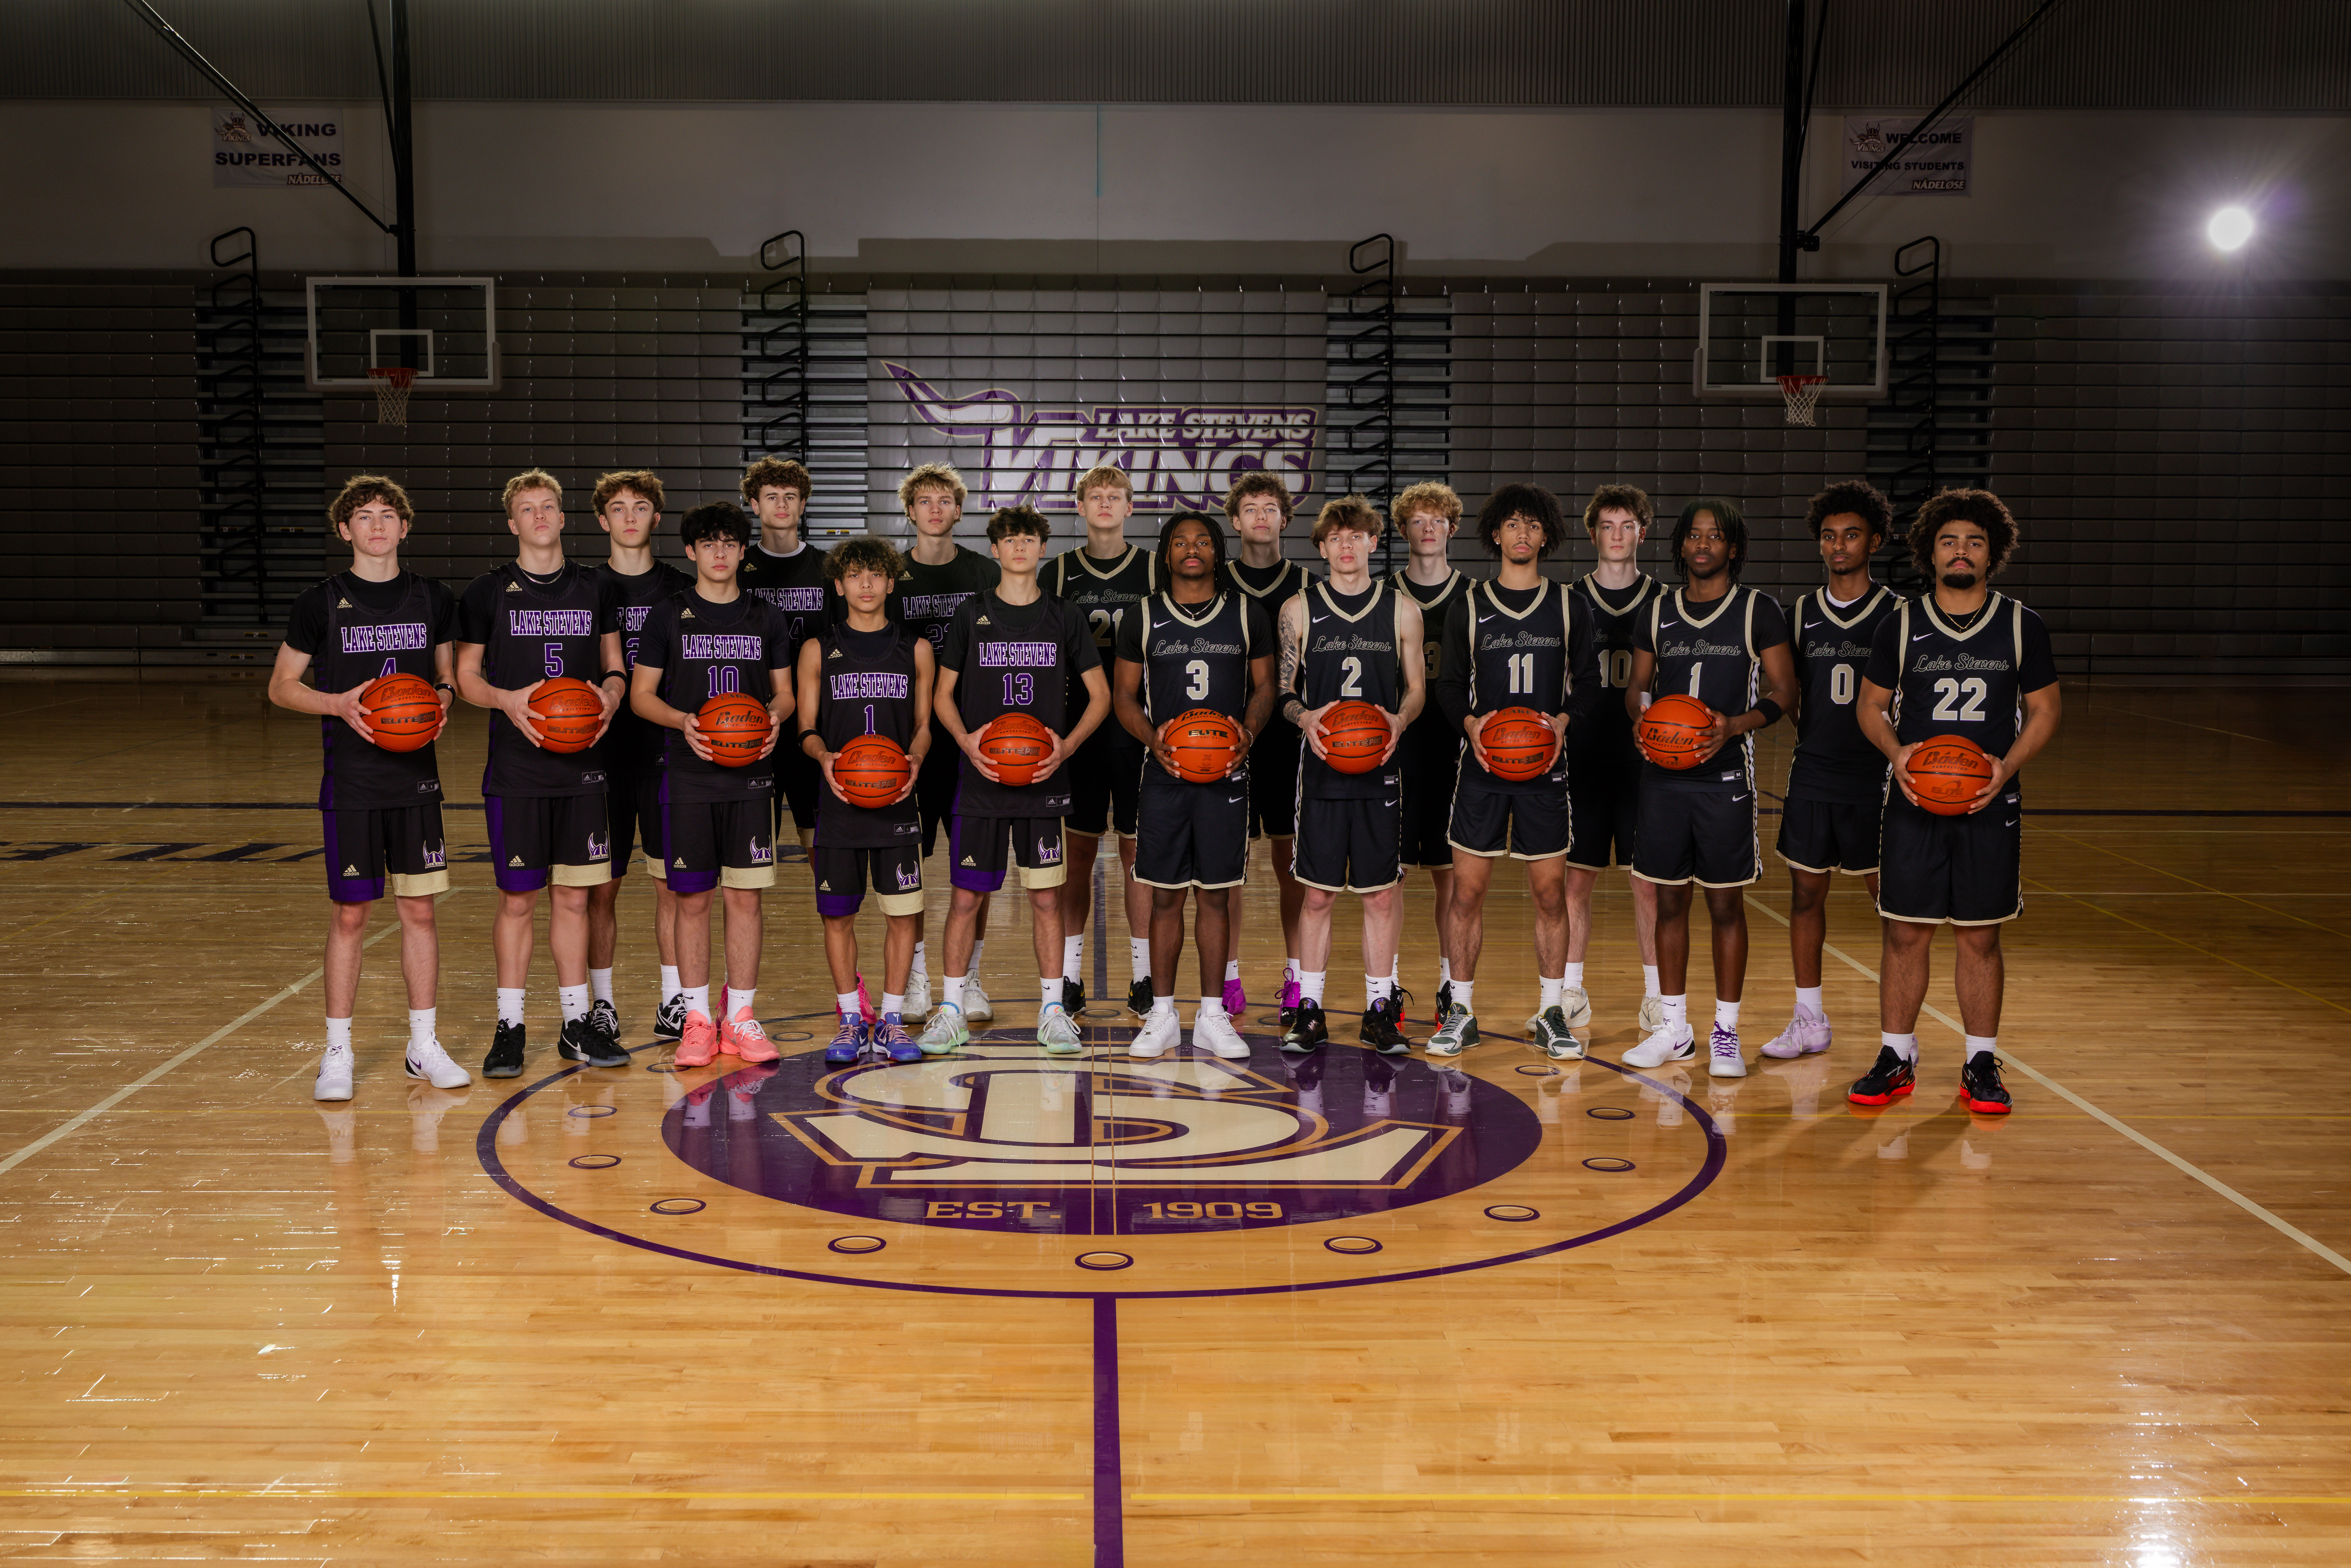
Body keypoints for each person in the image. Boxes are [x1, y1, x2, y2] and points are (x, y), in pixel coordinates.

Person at [1849, 487, 2060, 1115]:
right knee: (1905, 933)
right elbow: (1869, 706)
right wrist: (1898, 755)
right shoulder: (1903, 623)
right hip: (1915, 800)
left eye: (1973, 542)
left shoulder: (2023, 625)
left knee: (1979, 938)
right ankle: (1895, 1054)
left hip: (1989, 803)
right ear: (1929, 553)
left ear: (1992, 552)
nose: (1961, 552)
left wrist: (2007, 766)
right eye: (1949, 541)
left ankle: (1980, 1061)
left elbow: (2046, 710)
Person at [269, 474, 469, 1100]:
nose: (377, 524)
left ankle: (423, 1045)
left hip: (416, 784)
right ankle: (337, 1053)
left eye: (388, 515)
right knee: (352, 914)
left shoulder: (432, 597)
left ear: (405, 528)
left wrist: (440, 699)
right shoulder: (320, 603)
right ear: (345, 530)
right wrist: (339, 705)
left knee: (418, 911)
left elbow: (447, 675)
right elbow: (281, 687)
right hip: (352, 782)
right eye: (365, 516)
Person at [454, 469, 630, 1079]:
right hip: (517, 768)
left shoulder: (594, 587)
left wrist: (609, 696)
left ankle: (577, 1024)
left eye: (548, 506)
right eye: (526, 509)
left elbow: (615, 666)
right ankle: (510, 1026)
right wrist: (506, 700)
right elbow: (466, 677)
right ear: (513, 523)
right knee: (518, 901)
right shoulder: (486, 592)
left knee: (575, 900)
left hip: (583, 767)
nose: (538, 517)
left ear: (562, 518)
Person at [921, 506, 1112, 1055]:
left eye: (1029, 539)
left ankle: (1052, 1010)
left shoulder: (1064, 616)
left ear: (1042, 549)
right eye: (1010, 540)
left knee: (1047, 900)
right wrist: (966, 743)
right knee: (963, 898)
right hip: (980, 780)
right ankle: (951, 1008)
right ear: (997, 550)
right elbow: (941, 694)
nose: (1020, 548)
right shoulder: (972, 614)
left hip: (1041, 780)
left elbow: (1100, 697)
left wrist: (1066, 747)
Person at [1620, 498, 1797, 1080]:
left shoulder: (1757, 611)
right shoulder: (1658, 611)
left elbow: (1784, 692)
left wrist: (1731, 727)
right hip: (1662, 777)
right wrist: (1642, 723)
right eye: (1693, 536)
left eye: (1715, 536)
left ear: (1733, 548)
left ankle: (1725, 1029)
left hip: (1723, 777)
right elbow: (1638, 687)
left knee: (1724, 903)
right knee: (1669, 900)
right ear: (1680, 547)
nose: (1702, 544)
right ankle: (1675, 1029)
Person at [1425, 484, 1602, 1062]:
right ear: (1495, 535)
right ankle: (1461, 1010)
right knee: (1467, 892)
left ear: (1545, 535)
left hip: (1545, 767)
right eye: (1511, 525)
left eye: (1532, 524)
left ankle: (1552, 1011)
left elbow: (1593, 684)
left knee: (1550, 893)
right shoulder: (1469, 605)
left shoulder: (1571, 604)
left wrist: (1564, 723)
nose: (1521, 534)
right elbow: (1448, 686)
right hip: (1482, 768)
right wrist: (1472, 726)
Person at [628, 501, 794, 1069]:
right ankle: (697, 1018)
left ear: (743, 552)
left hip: (751, 777)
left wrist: (774, 717)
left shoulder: (765, 616)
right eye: (709, 544)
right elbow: (640, 696)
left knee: (745, 898)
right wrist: (684, 723)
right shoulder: (667, 614)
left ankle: (742, 1016)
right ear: (692, 552)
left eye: (730, 544)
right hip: (689, 774)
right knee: (692, 899)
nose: (720, 553)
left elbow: (787, 693)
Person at [1113, 510, 1277, 1060]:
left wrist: (1247, 734)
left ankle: (1211, 1014)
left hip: (1226, 772)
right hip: (1164, 775)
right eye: (1180, 542)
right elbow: (1123, 697)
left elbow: (1265, 686)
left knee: (1215, 895)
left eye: (1203, 541)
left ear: (1217, 552)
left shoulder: (1247, 614)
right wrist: (1151, 740)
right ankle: (1161, 1013)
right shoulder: (1142, 616)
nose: (1191, 549)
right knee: (1163, 897)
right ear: (1165, 554)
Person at [1277, 494, 1427, 1055]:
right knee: (1316, 895)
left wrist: (1399, 718)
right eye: (1335, 538)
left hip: (1380, 767)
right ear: (1321, 548)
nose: (1345, 545)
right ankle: (1309, 1009)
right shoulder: (1298, 609)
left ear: (1372, 542)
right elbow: (1286, 692)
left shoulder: (1401, 609)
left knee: (1381, 897)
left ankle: (1380, 1009)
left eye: (1356, 536)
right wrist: (1305, 717)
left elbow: (1416, 687)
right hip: (1320, 769)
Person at [1763, 479, 1901, 1061]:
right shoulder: (1799, 614)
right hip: (1814, 772)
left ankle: (1898, 1036)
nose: (1838, 546)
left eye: (1850, 535)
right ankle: (1809, 1018)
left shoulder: (1899, 614)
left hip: (1877, 777)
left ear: (1874, 540)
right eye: (1828, 537)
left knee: (1891, 905)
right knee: (1804, 896)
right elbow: (1787, 691)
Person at [799, 536, 934, 1065]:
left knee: (902, 915)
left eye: (875, 575)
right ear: (839, 584)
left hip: (898, 799)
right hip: (840, 802)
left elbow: (923, 725)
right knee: (838, 916)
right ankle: (852, 1019)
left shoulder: (914, 648)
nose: (866, 585)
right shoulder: (818, 648)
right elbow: (806, 728)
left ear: (890, 582)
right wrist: (824, 757)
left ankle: (894, 1019)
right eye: (854, 575)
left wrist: (916, 761)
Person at [886, 464, 1001, 1022]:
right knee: (906, 863)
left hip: (970, 735)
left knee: (971, 867)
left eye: (945, 500)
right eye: (923, 500)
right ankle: (914, 976)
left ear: (959, 511)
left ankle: (971, 975)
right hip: (905, 737)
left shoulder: (983, 570)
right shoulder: (890, 575)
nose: (934, 508)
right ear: (910, 511)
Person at [1044, 464, 1157, 1016]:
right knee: (1079, 854)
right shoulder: (1059, 572)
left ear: (1130, 507)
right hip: (1080, 732)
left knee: (1138, 855)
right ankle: (1068, 977)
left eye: (1116, 495)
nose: (1106, 503)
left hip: (1140, 730)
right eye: (1096, 496)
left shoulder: (1156, 570)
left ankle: (1144, 977)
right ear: (1081, 507)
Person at [586, 469, 693, 1044]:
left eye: (642, 507)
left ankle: (674, 998)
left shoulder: (680, 591)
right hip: (596, 757)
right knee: (602, 888)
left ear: (657, 518)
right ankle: (602, 1006)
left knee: (671, 886)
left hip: (663, 755)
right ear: (603, 521)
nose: (630, 517)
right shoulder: (582, 588)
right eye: (619, 509)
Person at [1564, 484, 1666, 1033]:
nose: (1618, 535)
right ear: (1593, 533)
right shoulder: (1569, 598)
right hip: (1581, 756)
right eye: (1608, 525)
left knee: (1645, 883)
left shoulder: (1663, 601)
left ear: (1642, 533)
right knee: (1575, 882)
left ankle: (1655, 996)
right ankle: (1572, 990)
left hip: (1642, 762)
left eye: (1628, 525)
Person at [1219, 472, 1315, 1025]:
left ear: (1285, 519)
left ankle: (1297, 973)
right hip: (1223, 739)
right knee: (1228, 867)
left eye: (1270, 507)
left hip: (1286, 742)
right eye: (1249, 508)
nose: (1260, 516)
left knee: (1291, 864)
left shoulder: (1308, 586)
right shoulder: (1215, 580)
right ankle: (1229, 975)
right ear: (1235, 521)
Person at [1384, 481, 1474, 1018]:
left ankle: (1447, 984)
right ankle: (1387, 984)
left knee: (1451, 877)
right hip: (1394, 748)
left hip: (1454, 751)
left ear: (1452, 529)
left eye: (1436, 520)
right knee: (1388, 877)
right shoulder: (1383, 595)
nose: (1427, 529)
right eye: (1417, 521)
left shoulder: (1474, 597)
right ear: (1402, 531)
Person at [734, 457, 829, 854]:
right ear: (754, 505)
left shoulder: (827, 567)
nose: (782, 505)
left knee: (819, 837)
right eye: (771, 497)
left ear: (803, 504)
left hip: (814, 719)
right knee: (752, 843)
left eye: (790, 497)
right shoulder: (736, 569)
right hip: (754, 718)